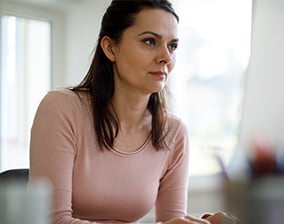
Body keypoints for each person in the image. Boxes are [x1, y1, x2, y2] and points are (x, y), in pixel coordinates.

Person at [28, 0, 237, 223]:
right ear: (110, 48)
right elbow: (49, 220)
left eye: (172, 46)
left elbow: (172, 221)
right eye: (149, 41)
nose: (166, 57)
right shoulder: (61, 109)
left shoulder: (174, 132)